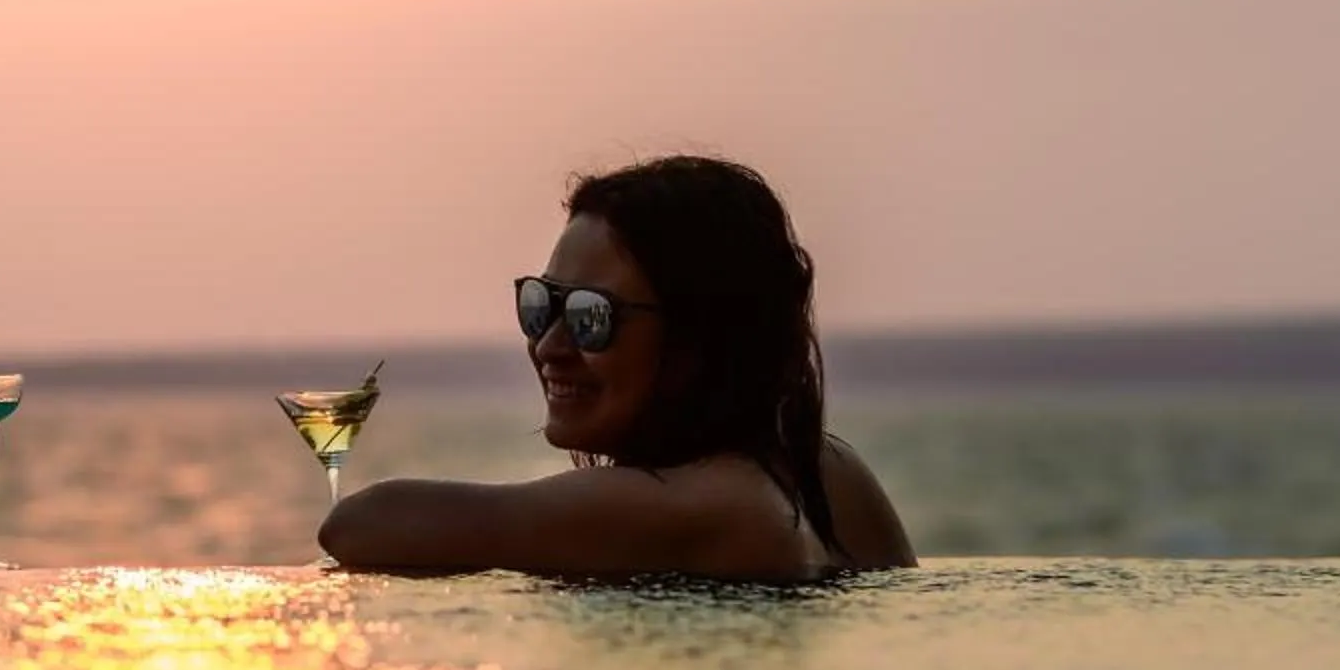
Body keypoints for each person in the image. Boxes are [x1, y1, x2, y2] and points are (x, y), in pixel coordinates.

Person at [320, 155, 915, 578]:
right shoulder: (825, 469)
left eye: (590, 317)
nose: (549, 344)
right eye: (540, 305)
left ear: (700, 336)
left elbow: (359, 526)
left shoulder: (709, 503)